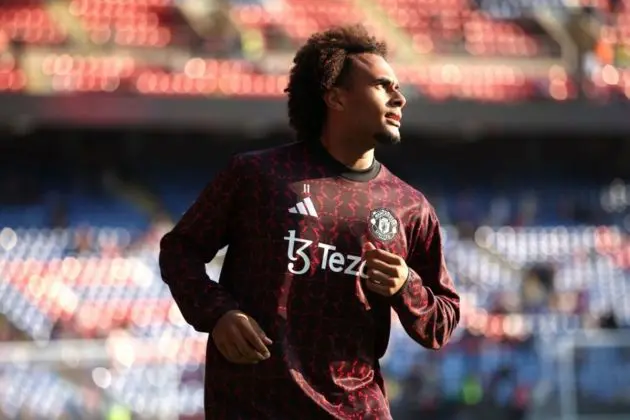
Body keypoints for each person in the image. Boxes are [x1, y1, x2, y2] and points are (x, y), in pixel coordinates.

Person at [159, 24, 460, 420]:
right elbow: (180, 251)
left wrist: (407, 285)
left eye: (398, 87)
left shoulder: (409, 207)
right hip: (254, 406)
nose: (399, 98)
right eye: (383, 86)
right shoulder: (257, 176)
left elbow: (441, 321)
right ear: (335, 96)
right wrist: (216, 313)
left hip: (356, 410)